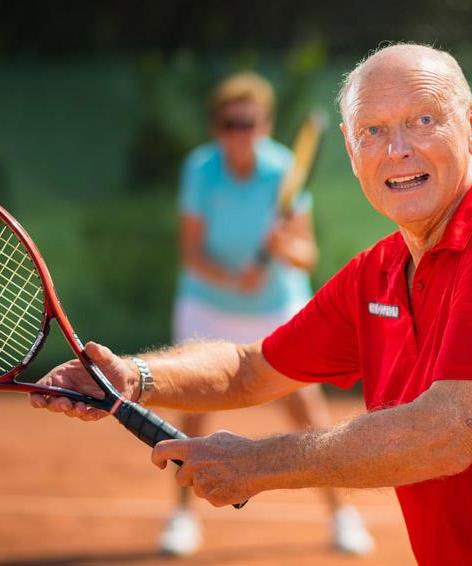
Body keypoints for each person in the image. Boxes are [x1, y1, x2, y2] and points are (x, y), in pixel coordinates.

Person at [32, 44, 472, 565]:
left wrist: (258, 464)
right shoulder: (379, 272)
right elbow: (253, 368)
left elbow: (446, 434)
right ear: (350, 148)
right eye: (374, 130)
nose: (399, 149)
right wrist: (136, 377)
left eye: (424, 119)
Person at [162, 71, 373, 556]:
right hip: (209, 305)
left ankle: (343, 516)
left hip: (275, 307)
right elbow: (192, 252)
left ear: (266, 124)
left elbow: (306, 255)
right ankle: (180, 516)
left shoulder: (283, 170)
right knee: (194, 415)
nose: (241, 133)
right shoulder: (201, 169)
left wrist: (285, 247)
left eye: (250, 123)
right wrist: (231, 278)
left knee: (307, 411)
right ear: (218, 127)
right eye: (231, 123)